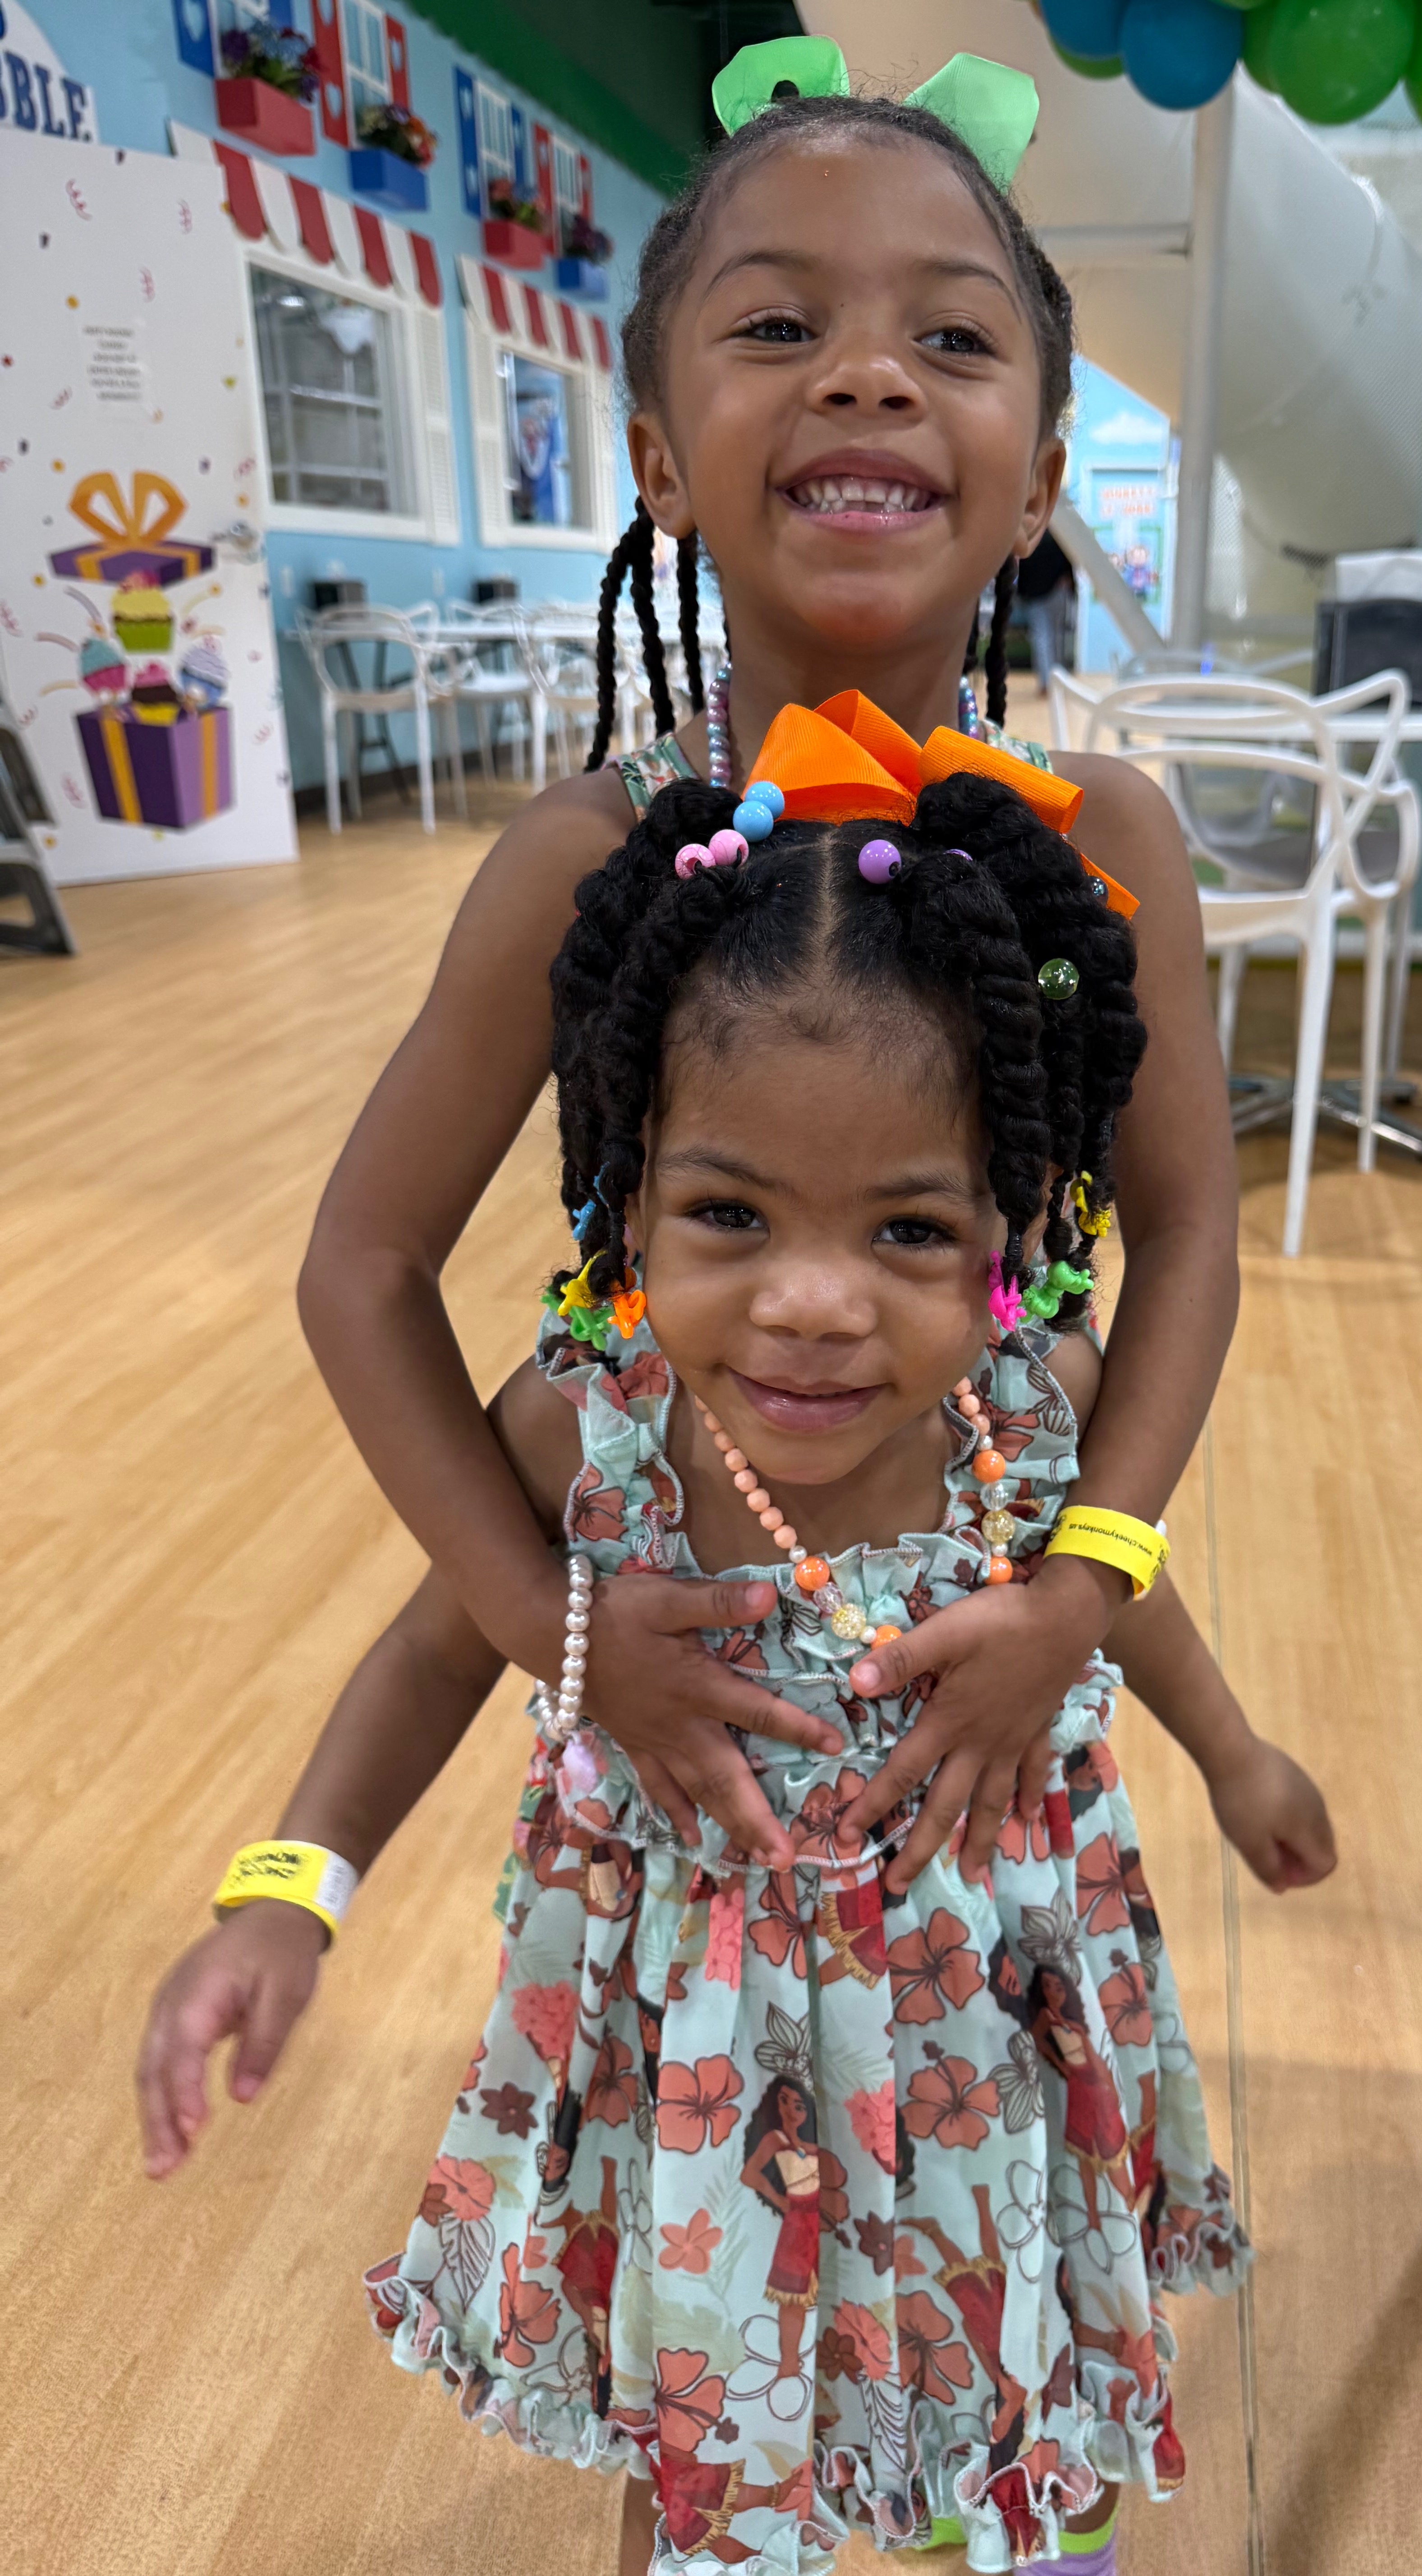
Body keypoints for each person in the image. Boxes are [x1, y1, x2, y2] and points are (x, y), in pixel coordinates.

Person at [138, 727, 1335, 2576]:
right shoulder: (588, 1433)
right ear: (623, 1198)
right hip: (690, 2073)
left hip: (981, 2034)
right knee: (704, 2448)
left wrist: (1235, 1752)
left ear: (1013, 1232)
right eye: (728, 1215)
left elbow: (1119, 1592)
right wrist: (288, 1892)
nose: (811, 1302)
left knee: (1017, 2408)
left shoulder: (1031, 1417)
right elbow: (430, 1657)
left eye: (910, 1229)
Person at [291, 51, 1255, 1899]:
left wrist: (1086, 1586)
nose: (869, 374)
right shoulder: (582, 855)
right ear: (659, 457)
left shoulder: (1105, 840)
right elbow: (362, 1263)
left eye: (952, 339)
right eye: (780, 324)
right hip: (678, 1649)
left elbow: (1191, 1231)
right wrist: (560, 1633)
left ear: (1043, 480)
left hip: (994, 1692)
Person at [1014, 528, 1075, 685]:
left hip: (1036, 595)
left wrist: (1022, 593)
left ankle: (1047, 682)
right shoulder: (1058, 537)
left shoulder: (1029, 539)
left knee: (1042, 638)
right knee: (1057, 637)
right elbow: (1067, 564)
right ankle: (1059, 681)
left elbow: (1023, 569)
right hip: (1057, 590)